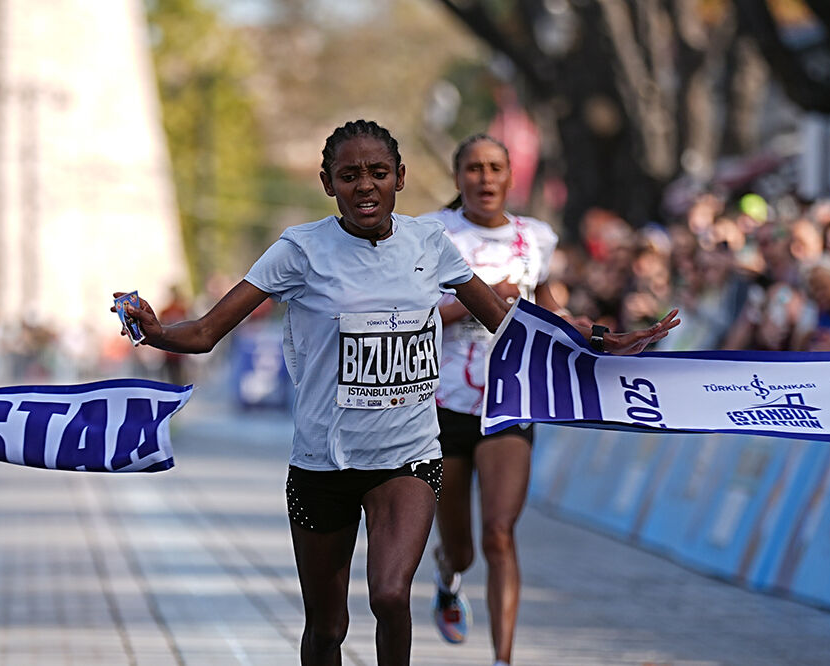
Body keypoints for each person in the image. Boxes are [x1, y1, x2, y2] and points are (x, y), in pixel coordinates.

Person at [114, 120, 678, 666]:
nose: (365, 186)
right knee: (327, 627)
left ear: (400, 177)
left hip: (406, 457)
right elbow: (207, 332)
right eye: (350, 174)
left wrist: (595, 339)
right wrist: (155, 329)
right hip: (322, 462)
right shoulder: (298, 251)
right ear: (327, 182)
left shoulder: (429, 243)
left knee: (389, 595)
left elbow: (507, 322)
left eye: (378, 172)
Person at [421, 134, 599, 666]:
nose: (485, 178)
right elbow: (414, 317)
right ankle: (448, 573)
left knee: (499, 532)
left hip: (510, 399)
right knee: (464, 547)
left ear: (509, 176)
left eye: (495, 167)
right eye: (473, 168)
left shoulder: (536, 238)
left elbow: (548, 311)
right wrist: (483, 300)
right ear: (458, 178)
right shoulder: (432, 232)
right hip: (443, 403)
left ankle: (503, 659)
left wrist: (593, 333)